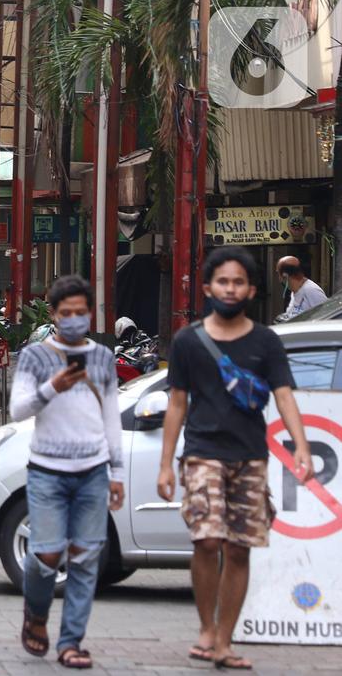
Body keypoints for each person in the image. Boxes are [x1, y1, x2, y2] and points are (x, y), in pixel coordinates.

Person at [157, 247, 314, 671]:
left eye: (239, 282)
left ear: (251, 289)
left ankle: (224, 641)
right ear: (208, 287)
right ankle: (206, 628)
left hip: (250, 457)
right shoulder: (189, 340)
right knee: (207, 540)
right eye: (223, 281)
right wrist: (165, 463)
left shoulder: (266, 342)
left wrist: (301, 446)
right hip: (202, 454)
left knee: (240, 549)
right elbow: (176, 404)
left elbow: (284, 395)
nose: (231, 288)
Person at [9, 275, 124, 670]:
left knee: (86, 557)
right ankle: (36, 615)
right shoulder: (35, 357)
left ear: (90, 314)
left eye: (80, 312)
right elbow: (18, 409)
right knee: (45, 555)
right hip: (47, 470)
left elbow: (111, 415)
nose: (73, 319)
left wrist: (118, 471)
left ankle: (72, 641)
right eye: (65, 313)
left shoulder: (103, 358)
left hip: (93, 469)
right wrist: (53, 386)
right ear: (53, 315)